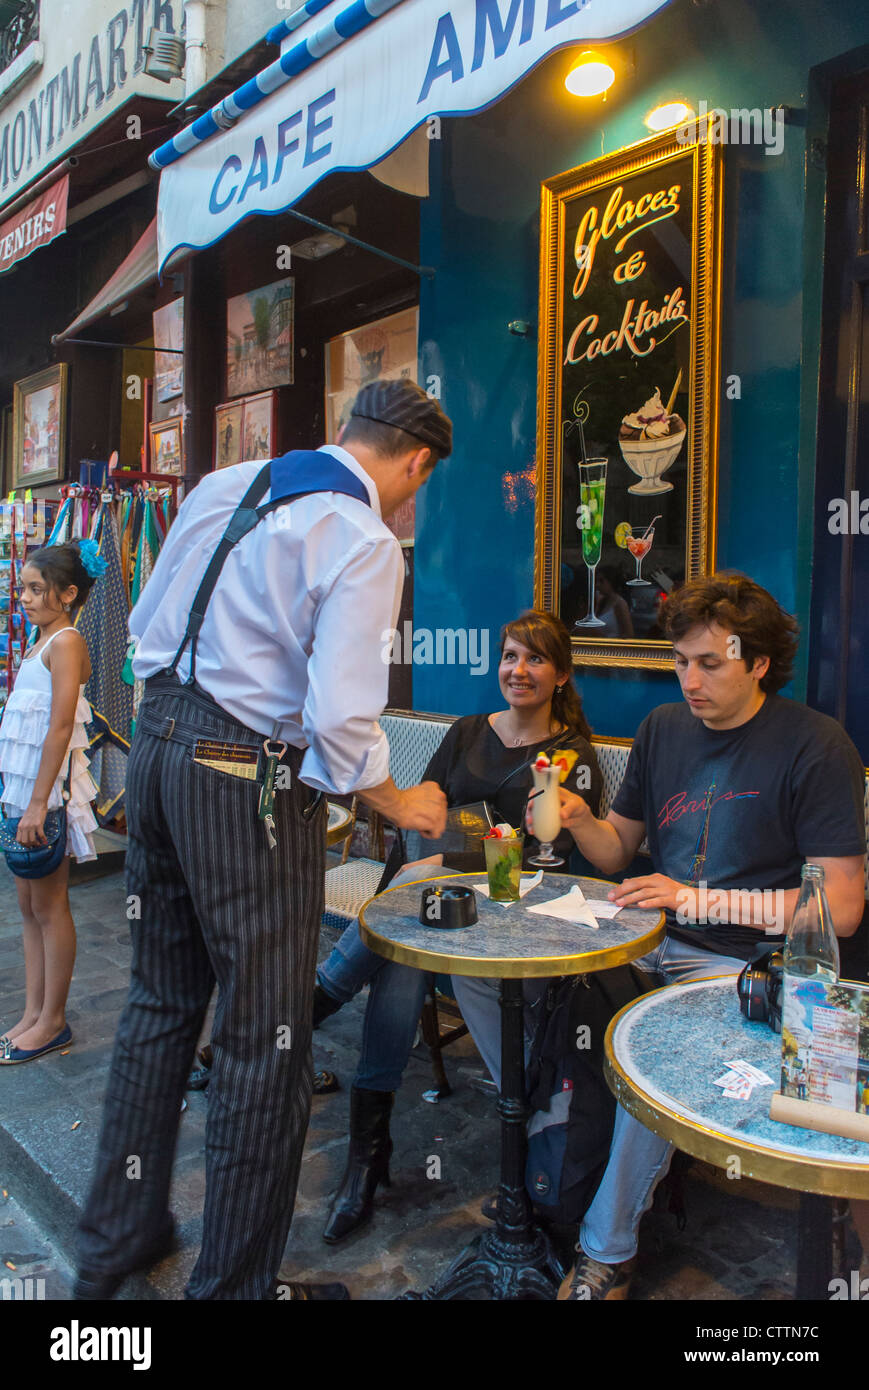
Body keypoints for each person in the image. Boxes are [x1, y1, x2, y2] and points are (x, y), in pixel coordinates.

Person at [74, 379, 450, 1301]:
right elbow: (342, 716)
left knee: (161, 1006)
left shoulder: (224, 484)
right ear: (415, 462)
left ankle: (116, 1240)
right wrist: (397, 803)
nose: (410, 499)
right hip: (244, 777)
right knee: (264, 1040)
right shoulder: (363, 537)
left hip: (158, 751)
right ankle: (235, 1289)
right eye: (419, 483)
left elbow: (142, 630)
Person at [549, 571, 866, 1300]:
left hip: (740, 963)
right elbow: (614, 850)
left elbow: (839, 910)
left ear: (756, 662)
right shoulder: (662, 729)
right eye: (680, 661)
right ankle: (545, 1170)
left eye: (710, 663)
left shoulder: (816, 746)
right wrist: (575, 816)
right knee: (505, 975)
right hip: (646, 936)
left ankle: (606, 1250)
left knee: (654, 1058)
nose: (689, 680)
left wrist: (694, 897)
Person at [314, 610, 602, 1243]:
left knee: (409, 942)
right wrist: (424, 868)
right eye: (508, 656)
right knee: (410, 946)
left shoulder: (572, 758)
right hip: (432, 892)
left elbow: (552, 861)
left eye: (534, 659)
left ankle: (320, 1014)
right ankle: (367, 1152)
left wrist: (453, 862)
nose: (517, 671)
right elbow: (425, 814)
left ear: (561, 675)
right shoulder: (469, 731)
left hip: (512, 915)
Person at [0, 542, 102, 1065]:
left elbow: (61, 726)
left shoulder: (66, 641)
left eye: (36, 589)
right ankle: (31, 1013)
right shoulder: (41, 641)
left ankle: (53, 1020)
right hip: (23, 793)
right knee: (26, 905)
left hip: (44, 799)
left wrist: (39, 805)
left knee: (49, 904)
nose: (25, 597)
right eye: (23, 588)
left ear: (67, 594)